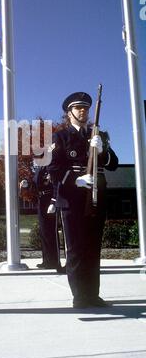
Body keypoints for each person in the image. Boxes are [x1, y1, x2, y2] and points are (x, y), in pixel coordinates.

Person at [47, 91, 118, 308]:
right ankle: (79, 295)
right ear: (69, 113)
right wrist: (76, 181)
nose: (83, 111)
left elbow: (113, 163)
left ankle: (93, 294)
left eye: (85, 107)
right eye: (78, 108)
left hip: (96, 196)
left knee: (92, 247)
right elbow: (53, 169)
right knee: (76, 248)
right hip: (72, 198)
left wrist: (103, 149)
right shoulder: (60, 137)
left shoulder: (98, 134)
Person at [20, 167, 66, 273]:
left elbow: (56, 185)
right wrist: (26, 182)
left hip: (50, 200)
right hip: (41, 200)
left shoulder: (51, 167)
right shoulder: (39, 169)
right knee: (44, 232)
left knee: (52, 233)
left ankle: (55, 261)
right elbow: (34, 182)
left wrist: (54, 202)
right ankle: (47, 261)